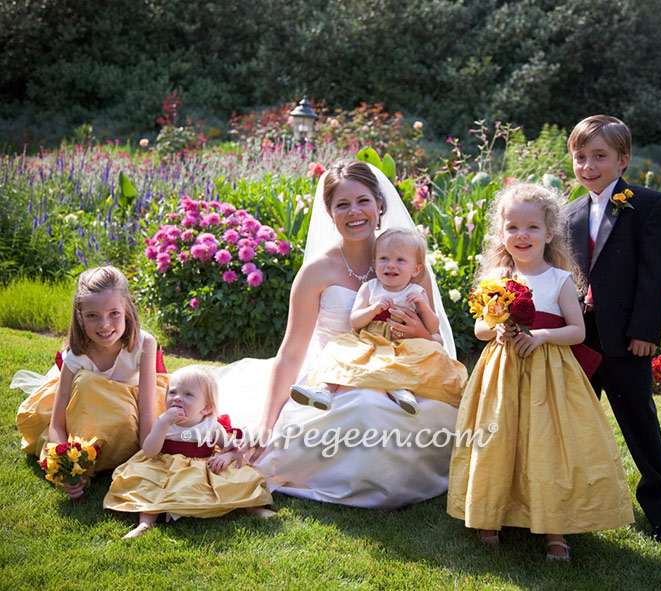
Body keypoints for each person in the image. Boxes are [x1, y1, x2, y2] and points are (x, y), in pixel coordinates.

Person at [213, 160, 459, 508]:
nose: (354, 212)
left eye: (363, 201)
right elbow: (292, 353)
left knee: (417, 410)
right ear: (329, 212)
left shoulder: (406, 260)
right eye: (342, 204)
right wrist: (266, 424)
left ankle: (392, 475)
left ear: (379, 205)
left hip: (402, 371)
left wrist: (420, 331)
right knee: (365, 405)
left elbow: (434, 340)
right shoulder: (317, 271)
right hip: (336, 376)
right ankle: (360, 478)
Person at [447, 182, 634, 562]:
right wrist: (496, 327)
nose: (522, 235)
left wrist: (543, 336)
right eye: (512, 227)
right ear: (502, 233)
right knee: (499, 441)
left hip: (549, 377)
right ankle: (490, 515)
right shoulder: (497, 278)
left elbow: (577, 330)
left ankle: (555, 529)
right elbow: (480, 328)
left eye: (532, 227)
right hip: (502, 375)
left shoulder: (559, 280)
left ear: (550, 233)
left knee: (547, 447)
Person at [565, 114, 661, 542]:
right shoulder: (569, 212)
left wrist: (646, 332)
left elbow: (655, 276)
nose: (588, 166)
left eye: (600, 156)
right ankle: (571, 501)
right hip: (582, 336)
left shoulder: (648, 204)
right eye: (580, 157)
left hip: (629, 337)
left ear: (623, 160)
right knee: (573, 420)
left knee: (639, 421)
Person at [13, 266, 167, 499]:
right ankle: (88, 462)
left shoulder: (144, 344)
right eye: (92, 316)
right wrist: (66, 466)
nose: (104, 325)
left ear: (126, 310)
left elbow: (146, 411)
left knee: (129, 413)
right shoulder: (76, 356)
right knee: (85, 383)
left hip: (129, 418)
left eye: (113, 313)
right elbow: (57, 423)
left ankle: (119, 456)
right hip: (89, 420)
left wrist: (148, 458)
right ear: (80, 317)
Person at [292, 227, 467, 415]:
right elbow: (355, 321)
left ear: (416, 269)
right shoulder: (370, 288)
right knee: (338, 348)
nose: (391, 265)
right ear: (375, 263)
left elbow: (432, 328)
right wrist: (373, 309)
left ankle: (402, 390)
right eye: (384, 259)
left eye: (400, 260)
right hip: (370, 340)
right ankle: (325, 390)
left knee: (426, 353)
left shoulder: (415, 292)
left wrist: (423, 306)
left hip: (403, 342)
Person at [103, 365, 273, 539]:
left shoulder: (211, 425)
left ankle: (255, 508)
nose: (177, 398)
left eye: (188, 394)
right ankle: (146, 522)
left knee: (239, 477)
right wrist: (162, 425)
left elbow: (232, 448)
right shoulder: (164, 422)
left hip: (201, 466)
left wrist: (226, 456)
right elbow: (149, 451)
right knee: (149, 485)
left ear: (206, 408)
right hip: (164, 466)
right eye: (173, 392)